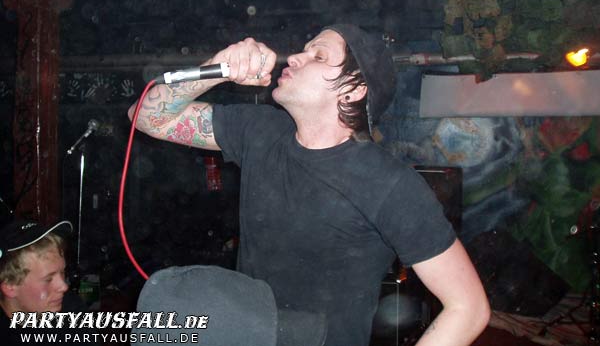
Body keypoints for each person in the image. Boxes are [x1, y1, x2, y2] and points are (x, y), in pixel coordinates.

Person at [129, 24, 490, 346]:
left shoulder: (388, 183)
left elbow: (468, 308)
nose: (295, 58)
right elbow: (144, 117)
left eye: (318, 55)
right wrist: (219, 67)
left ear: (353, 89)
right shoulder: (260, 130)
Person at [0, 218, 96, 346]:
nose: (64, 286)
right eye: (48, 279)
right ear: (10, 286)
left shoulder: (71, 310)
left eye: (62, 272)